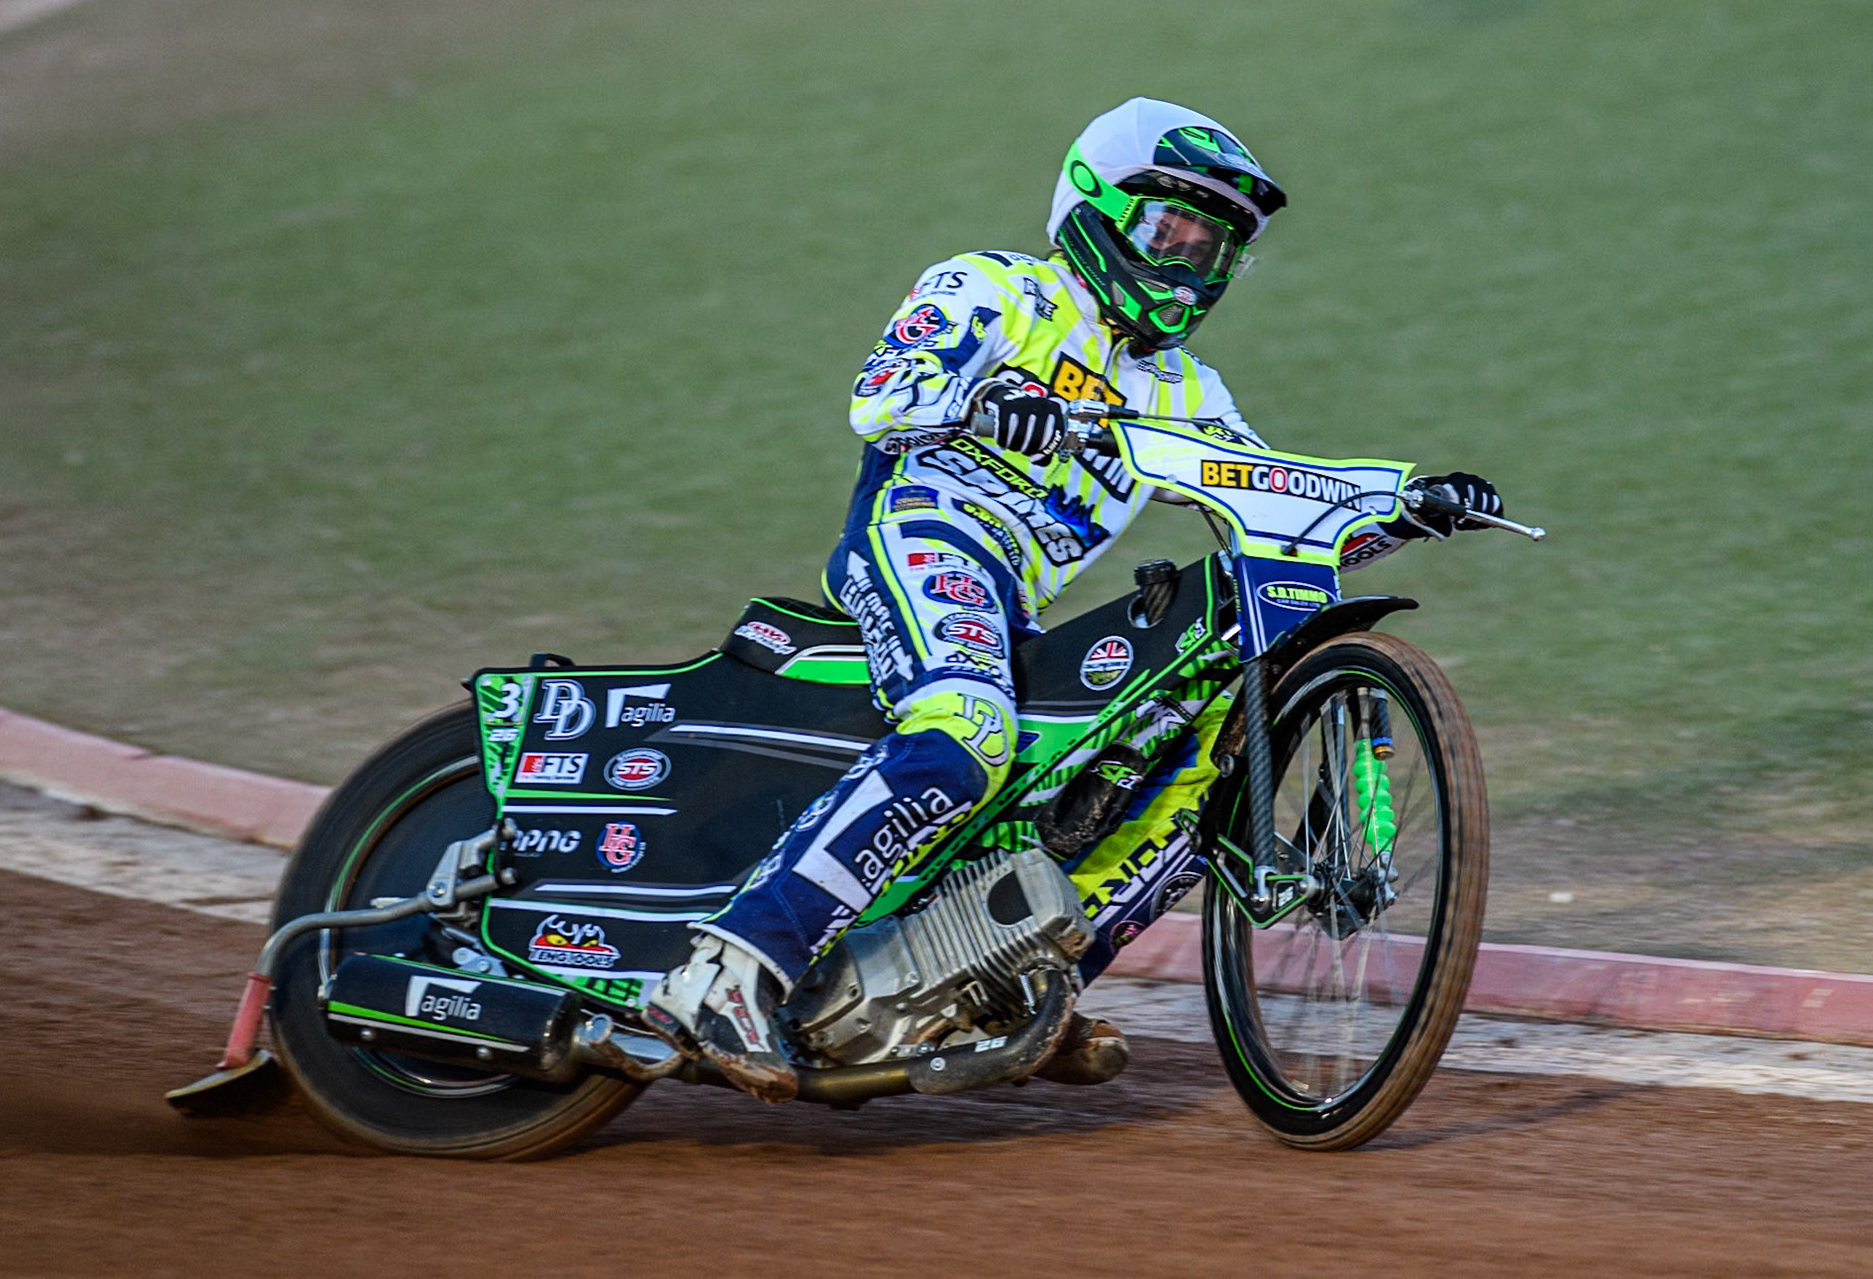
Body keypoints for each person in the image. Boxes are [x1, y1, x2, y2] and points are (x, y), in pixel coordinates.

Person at [644, 97, 1503, 1102]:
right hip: (922, 536)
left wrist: (1405, 508)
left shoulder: (1187, 391)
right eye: (1169, 233)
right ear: (1095, 211)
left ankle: (1007, 980)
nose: (1186, 266)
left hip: (1015, 602)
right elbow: (879, 395)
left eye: (1211, 250)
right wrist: (982, 401)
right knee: (966, 730)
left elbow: (1274, 508)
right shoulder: (995, 288)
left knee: (1151, 775)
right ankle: (731, 965)